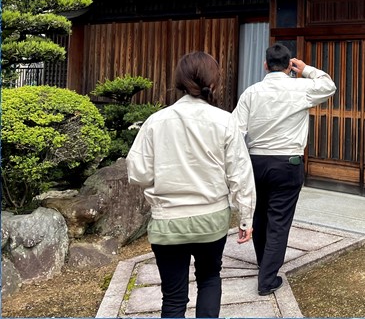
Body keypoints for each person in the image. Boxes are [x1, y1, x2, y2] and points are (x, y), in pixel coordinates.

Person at [126, 52, 256, 318]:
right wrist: (246, 219)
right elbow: (240, 175)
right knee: (209, 278)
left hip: (168, 220)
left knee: (173, 298)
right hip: (211, 219)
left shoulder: (156, 121)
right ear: (214, 82)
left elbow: (137, 173)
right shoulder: (225, 121)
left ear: (180, 82)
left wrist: (161, 181)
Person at [230, 43, 337, 296]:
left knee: (259, 217)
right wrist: (306, 69)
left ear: (265, 65)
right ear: (290, 65)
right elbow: (328, 85)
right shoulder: (300, 87)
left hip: (255, 161)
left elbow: (235, 130)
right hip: (287, 164)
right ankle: (267, 279)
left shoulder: (251, 92)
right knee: (278, 221)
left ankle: (264, 265)